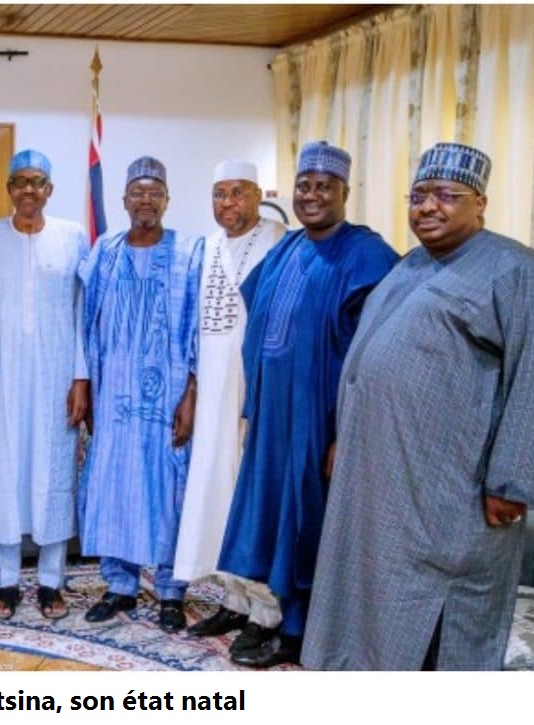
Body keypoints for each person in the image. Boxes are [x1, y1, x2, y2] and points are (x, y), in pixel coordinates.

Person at [302, 143, 534, 670]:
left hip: (451, 491)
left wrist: (512, 483)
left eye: (447, 195)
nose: (428, 206)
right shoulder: (412, 264)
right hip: (381, 478)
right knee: (370, 595)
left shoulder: (518, 270)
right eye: (419, 195)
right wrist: (344, 436)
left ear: (481, 203)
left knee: (433, 609)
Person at [217, 141, 398, 667]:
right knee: (274, 516)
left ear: (345, 192)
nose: (312, 195)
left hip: (322, 419)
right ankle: (275, 617)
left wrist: (346, 432)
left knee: (307, 520)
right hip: (274, 416)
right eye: (303, 186)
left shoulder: (366, 254)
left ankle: (301, 632)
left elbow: (378, 352)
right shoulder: (287, 249)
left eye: (324, 187)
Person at [77, 156, 203, 634]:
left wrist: (190, 394)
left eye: (154, 193)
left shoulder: (189, 252)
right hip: (113, 396)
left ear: (167, 200)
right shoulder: (105, 251)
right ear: (124, 200)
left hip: (167, 396)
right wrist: (89, 388)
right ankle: (120, 585)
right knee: (114, 486)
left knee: (168, 488)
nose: (145, 200)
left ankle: (171, 590)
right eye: (137, 192)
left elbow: (198, 329)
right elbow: (86, 323)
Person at [0, 149, 89, 620]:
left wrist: (81, 378)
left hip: (56, 377)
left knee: (53, 473)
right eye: (19, 181)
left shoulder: (72, 236)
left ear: (49, 190)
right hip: (2, 376)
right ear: (8, 189)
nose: (28, 190)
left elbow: (82, 312)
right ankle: (6, 582)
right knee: (5, 472)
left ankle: (50, 581)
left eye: (37, 182)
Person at [176, 161, 285, 647]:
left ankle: (266, 610)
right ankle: (233, 599)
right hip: (212, 393)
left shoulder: (280, 243)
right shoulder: (208, 246)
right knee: (217, 492)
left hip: (253, 390)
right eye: (219, 193)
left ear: (258, 195)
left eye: (238, 192)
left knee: (251, 495)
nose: (227, 203)